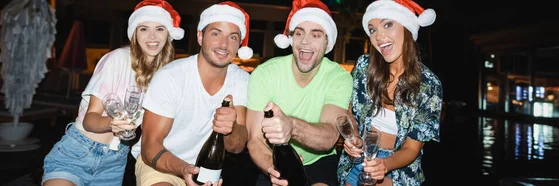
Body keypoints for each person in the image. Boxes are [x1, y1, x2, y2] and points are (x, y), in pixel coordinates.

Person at [41, 0, 185, 185]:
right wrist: (112, 123)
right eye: (143, 29)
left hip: (114, 162)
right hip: (78, 152)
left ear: (168, 34)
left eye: (159, 29)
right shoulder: (117, 59)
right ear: (134, 33)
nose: (152, 36)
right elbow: (90, 120)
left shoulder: (165, 76)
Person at [130, 1, 253, 186]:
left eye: (233, 37)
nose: (224, 44)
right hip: (160, 165)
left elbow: (236, 146)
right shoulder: (170, 77)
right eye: (216, 33)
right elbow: (150, 148)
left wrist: (230, 127)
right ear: (200, 36)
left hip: (206, 171)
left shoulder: (242, 80)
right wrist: (183, 169)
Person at [246, 0, 353, 185]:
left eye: (316, 35)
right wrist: (274, 170)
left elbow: (330, 137)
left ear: (327, 42)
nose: (305, 41)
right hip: (273, 160)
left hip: (319, 161)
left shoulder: (339, 78)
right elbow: (255, 140)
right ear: (291, 38)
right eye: (299, 33)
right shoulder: (264, 73)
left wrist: (292, 126)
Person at [336, 0, 443, 185]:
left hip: (399, 168)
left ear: (407, 27)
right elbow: (350, 111)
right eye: (372, 29)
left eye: (388, 24)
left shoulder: (429, 84)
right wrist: (355, 140)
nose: (379, 36)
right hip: (356, 162)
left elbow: (411, 148)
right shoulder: (363, 66)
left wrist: (384, 165)